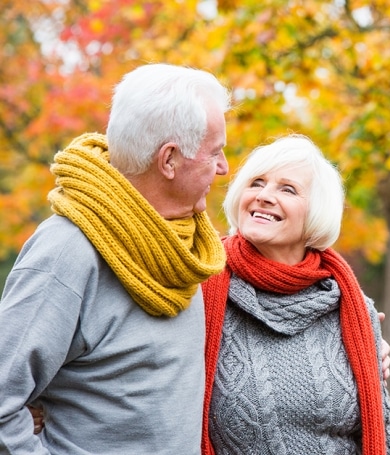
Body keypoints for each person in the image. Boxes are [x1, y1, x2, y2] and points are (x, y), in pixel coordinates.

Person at [0, 63, 230, 453]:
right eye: (216, 152)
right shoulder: (68, 251)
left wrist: (349, 324)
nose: (224, 168)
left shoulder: (191, 251)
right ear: (169, 160)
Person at [200, 134, 390, 454]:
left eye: (287, 188)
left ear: (316, 212)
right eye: (256, 183)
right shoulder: (202, 292)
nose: (264, 196)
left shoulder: (352, 309)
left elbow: (383, 434)